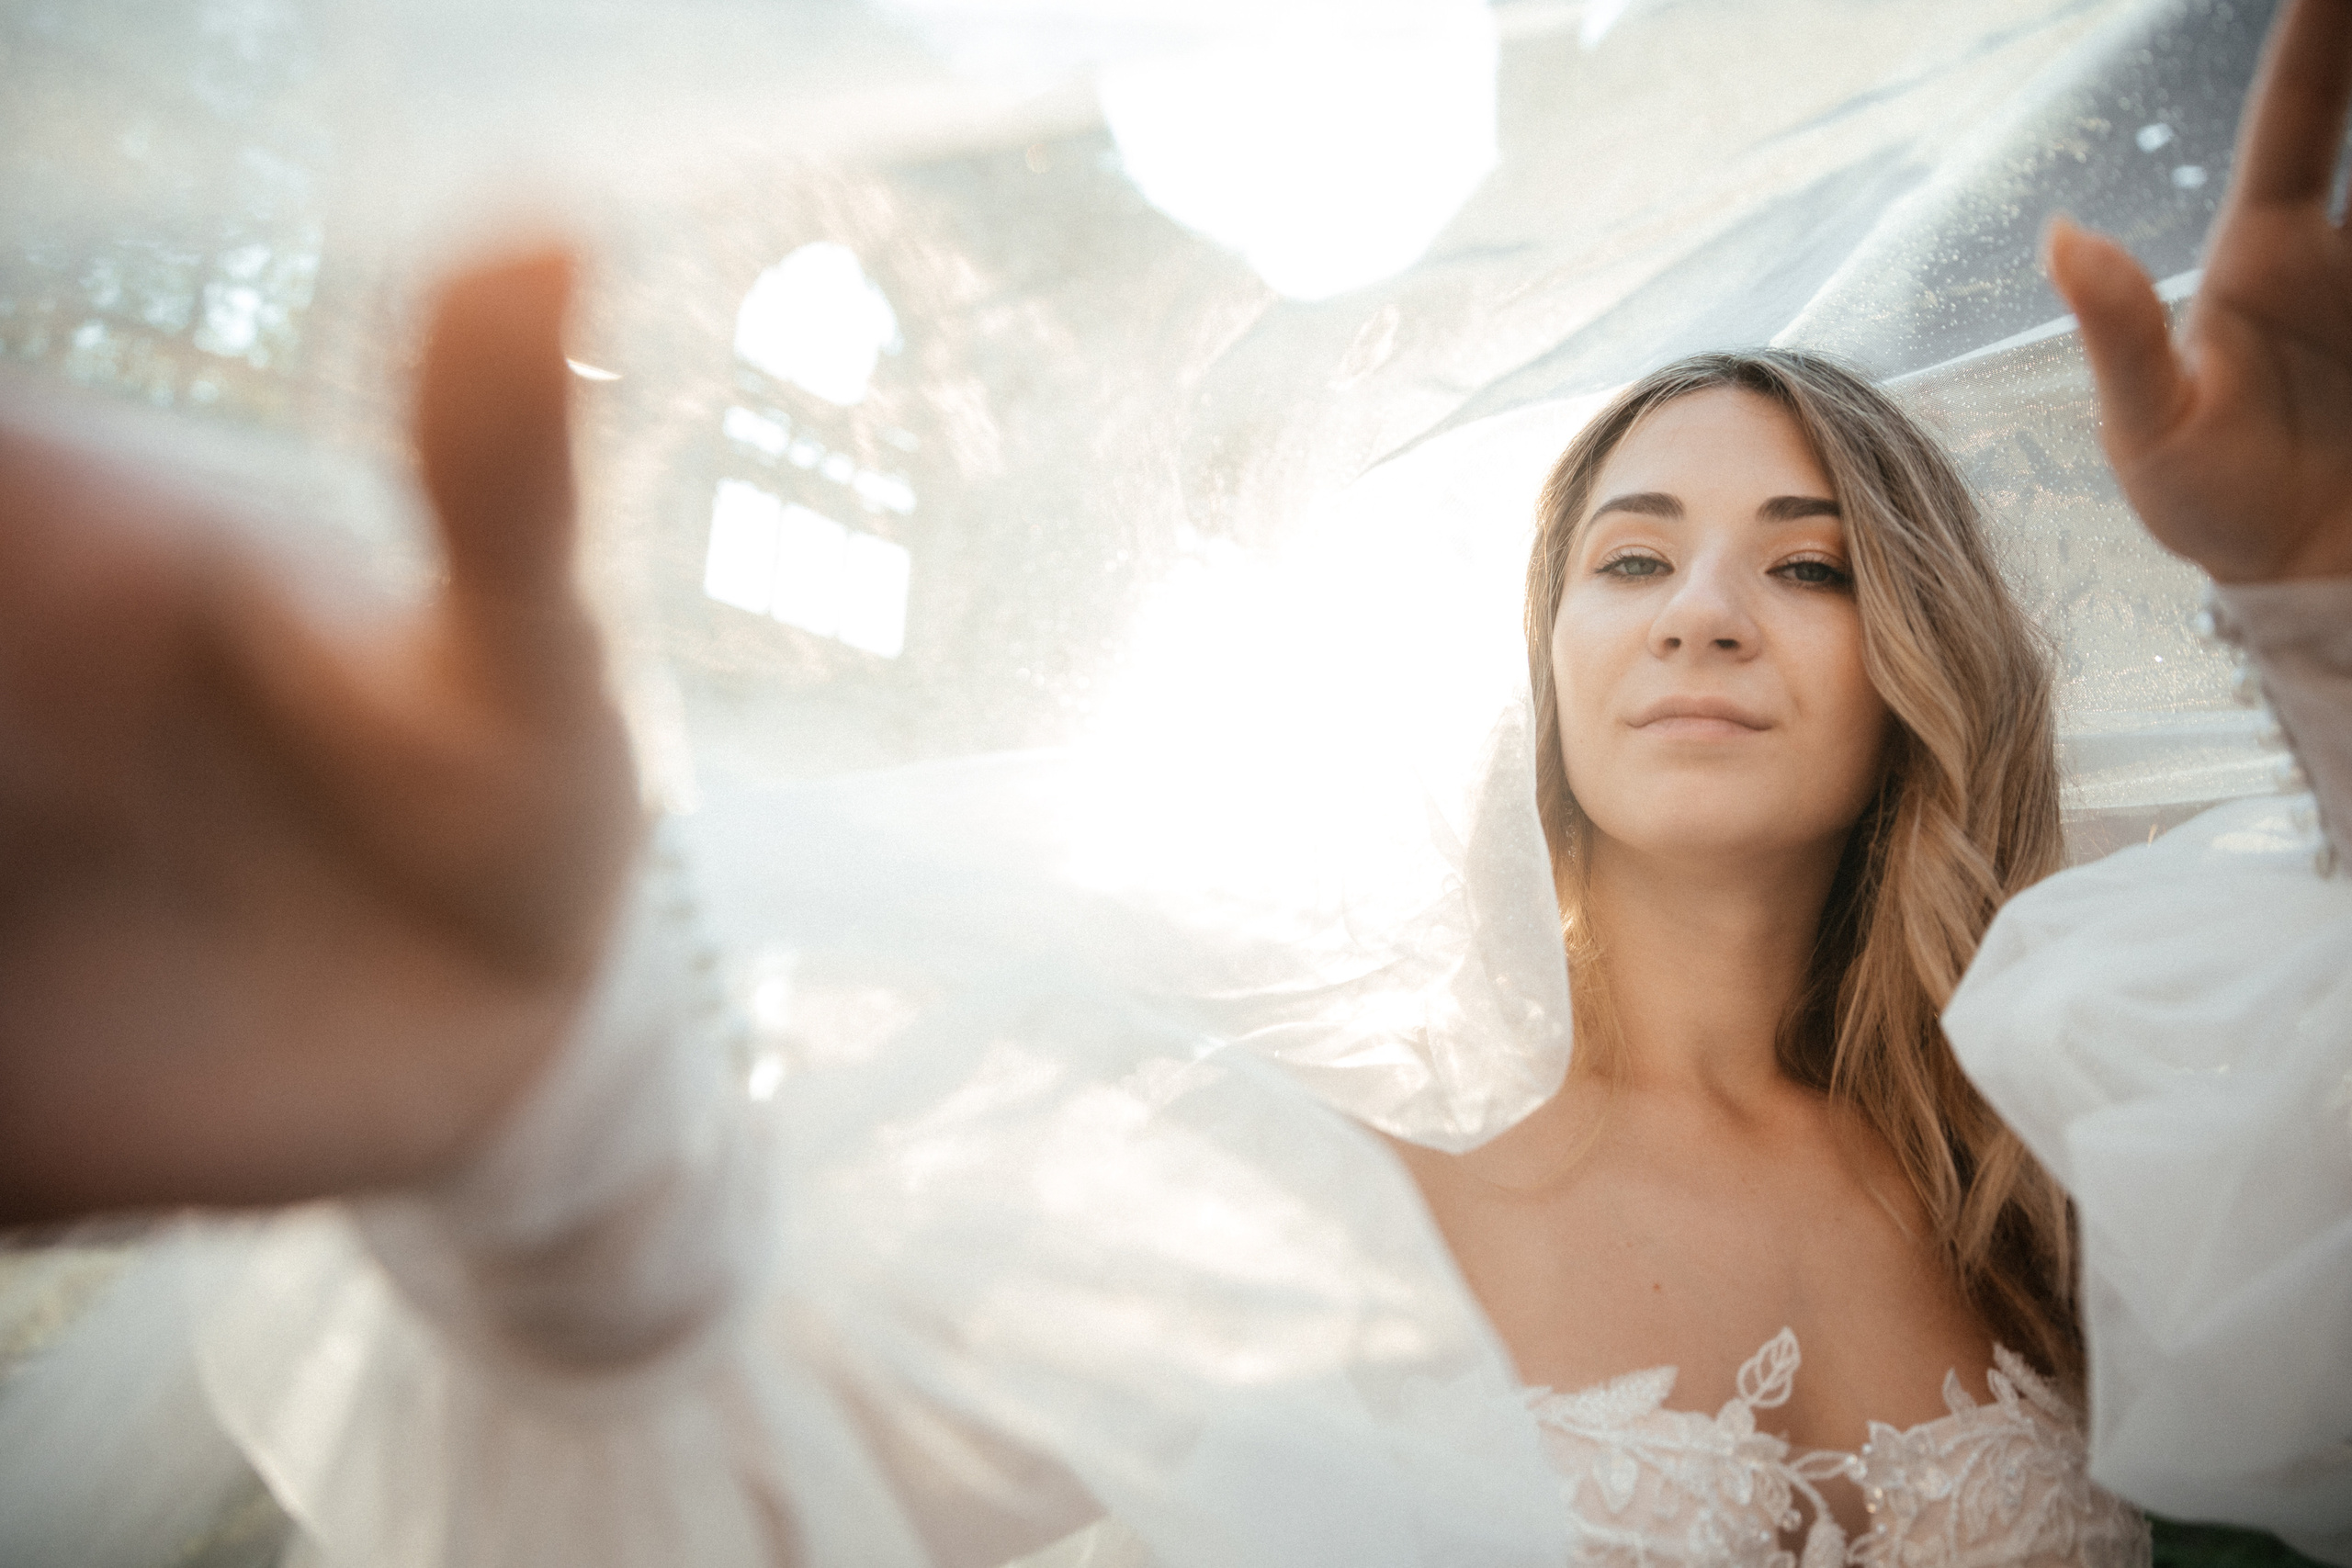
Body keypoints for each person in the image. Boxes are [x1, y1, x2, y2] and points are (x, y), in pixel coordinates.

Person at [1, 3, 2347, 1566]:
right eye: (1626, 552)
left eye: (1804, 560)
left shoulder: (2074, 1166)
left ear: (1909, 652)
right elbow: (729, 1471)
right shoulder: (1304, 1201)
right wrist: (543, 1140)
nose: (1702, 608)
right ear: (1536, 664)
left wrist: (2318, 597)